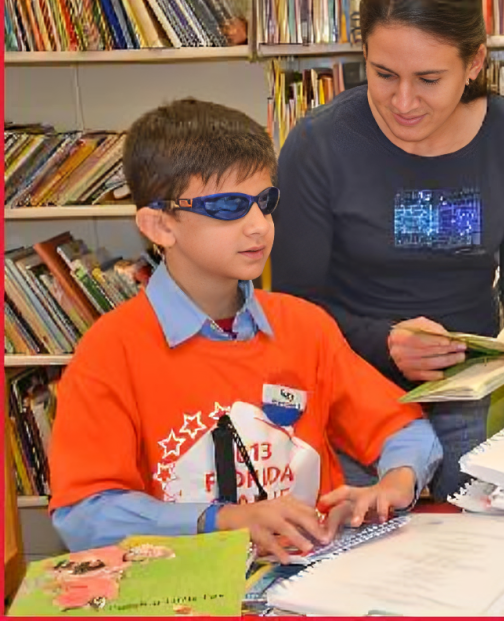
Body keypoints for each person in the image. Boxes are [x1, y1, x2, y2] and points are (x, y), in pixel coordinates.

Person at [48, 99, 442, 563]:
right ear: (160, 225)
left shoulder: (305, 326)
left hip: (312, 582)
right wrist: (224, 519)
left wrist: (395, 482)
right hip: (184, 591)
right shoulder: (110, 350)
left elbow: (405, 430)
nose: (258, 226)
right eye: (229, 207)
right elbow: (84, 515)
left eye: (265, 202)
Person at [269, 0, 504, 501]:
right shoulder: (320, 145)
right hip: (353, 400)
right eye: (382, 74)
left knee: (471, 552)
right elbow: (293, 309)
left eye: (428, 79)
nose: (403, 102)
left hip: (469, 397)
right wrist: (387, 341)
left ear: (474, 63)